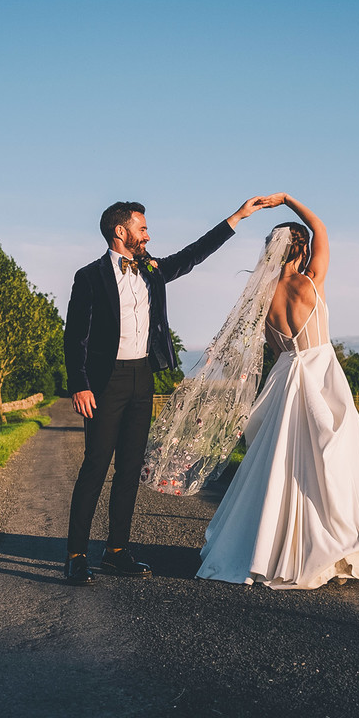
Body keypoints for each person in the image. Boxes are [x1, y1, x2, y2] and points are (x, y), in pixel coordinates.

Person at [63, 195, 283, 585]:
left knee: (130, 470)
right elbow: (75, 337)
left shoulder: (151, 270)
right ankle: (76, 555)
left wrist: (237, 217)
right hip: (104, 383)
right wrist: (80, 385)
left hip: (141, 379)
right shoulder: (88, 276)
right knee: (95, 466)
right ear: (121, 231)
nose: (147, 235)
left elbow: (194, 254)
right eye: (142, 228)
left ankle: (116, 551)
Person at [193, 194, 359, 589]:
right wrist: (288, 199)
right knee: (330, 465)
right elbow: (321, 227)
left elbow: (276, 349)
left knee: (280, 467)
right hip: (319, 372)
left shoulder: (263, 297)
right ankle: (332, 548)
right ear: (303, 248)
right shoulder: (311, 281)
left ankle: (271, 549)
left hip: (285, 376)